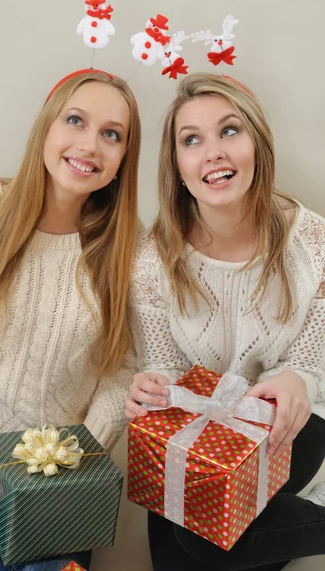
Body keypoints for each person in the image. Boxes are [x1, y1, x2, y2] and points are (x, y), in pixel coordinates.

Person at [0, 69, 141, 570]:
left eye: (111, 134)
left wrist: (77, 460)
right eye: (75, 120)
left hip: (51, 466)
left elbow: (124, 370)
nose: (90, 145)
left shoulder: (129, 253)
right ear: (46, 127)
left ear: (122, 160)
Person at [126, 72, 325, 571]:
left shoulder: (313, 242)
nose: (212, 152)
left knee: (203, 540)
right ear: (178, 165)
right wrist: (154, 388)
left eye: (229, 131)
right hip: (206, 429)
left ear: (258, 144)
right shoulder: (153, 259)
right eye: (191, 140)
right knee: (184, 537)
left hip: (295, 424)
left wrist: (297, 377)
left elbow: (311, 356)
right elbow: (166, 367)